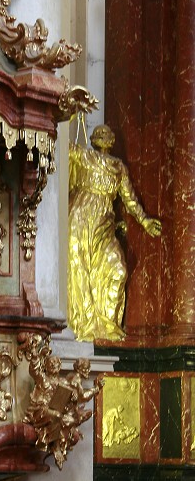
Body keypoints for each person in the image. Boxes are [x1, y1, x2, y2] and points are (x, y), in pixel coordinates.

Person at [67, 124, 162, 342]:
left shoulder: (118, 167)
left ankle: (108, 324)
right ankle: (83, 323)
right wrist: (70, 115)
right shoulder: (84, 156)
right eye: (99, 133)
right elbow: (63, 147)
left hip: (104, 225)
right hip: (79, 218)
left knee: (118, 269)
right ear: (92, 139)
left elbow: (129, 199)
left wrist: (144, 220)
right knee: (78, 267)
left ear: (112, 140)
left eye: (107, 133)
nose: (103, 135)